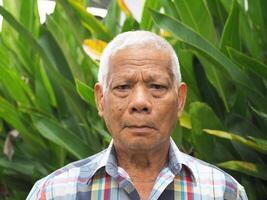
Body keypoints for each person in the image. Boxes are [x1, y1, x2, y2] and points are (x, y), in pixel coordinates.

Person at [27, 31, 247, 200]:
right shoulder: (54, 193)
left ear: (180, 100)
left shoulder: (223, 192)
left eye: (157, 86)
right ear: (100, 99)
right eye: (123, 87)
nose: (140, 102)